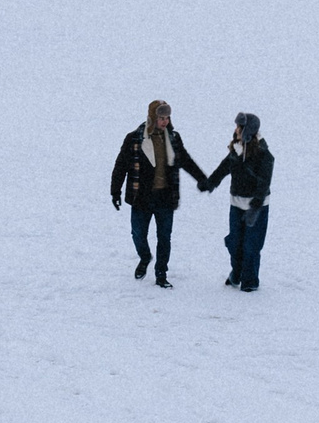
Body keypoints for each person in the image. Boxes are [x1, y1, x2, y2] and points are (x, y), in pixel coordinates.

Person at [111, 99, 207, 288]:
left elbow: (185, 160)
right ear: (152, 117)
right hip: (141, 198)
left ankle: (161, 273)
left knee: (164, 237)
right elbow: (121, 165)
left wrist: (202, 179)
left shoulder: (173, 138)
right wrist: (115, 191)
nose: (165, 121)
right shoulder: (134, 139)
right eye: (161, 117)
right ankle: (145, 257)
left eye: (167, 117)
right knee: (138, 234)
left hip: (165, 197)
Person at [200, 112, 275, 292]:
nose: (236, 130)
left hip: (256, 207)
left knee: (251, 246)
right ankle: (237, 272)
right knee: (235, 242)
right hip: (236, 204)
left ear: (248, 130)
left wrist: (255, 207)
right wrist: (210, 183)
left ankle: (250, 282)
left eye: (239, 127)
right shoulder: (237, 149)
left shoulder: (264, 155)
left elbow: (264, 183)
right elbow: (223, 168)